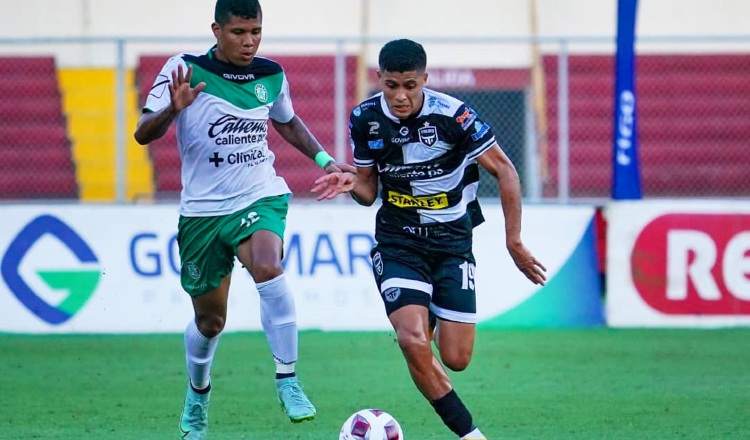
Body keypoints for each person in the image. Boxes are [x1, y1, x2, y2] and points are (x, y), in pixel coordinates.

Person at [134, 0, 351, 438]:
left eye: (256, 31)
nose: (249, 41)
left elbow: (287, 122)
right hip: (202, 213)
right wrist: (174, 109)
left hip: (258, 194)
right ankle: (197, 395)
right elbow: (143, 133)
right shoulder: (184, 68)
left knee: (269, 265)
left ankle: (288, 378)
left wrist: (326, 160)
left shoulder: (270, 75)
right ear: (217, 30)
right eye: (239, 32)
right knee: (210, 322)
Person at [313, 39, 547, 440]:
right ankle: (471, 435)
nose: (400, 96)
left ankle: (427, 318)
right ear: (379, 80)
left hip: (452, 241)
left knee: (456, 358)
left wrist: (514, 242)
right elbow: (369, 192)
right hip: (398, 240)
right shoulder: (365, 119)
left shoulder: (454, 117)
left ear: (425, 78)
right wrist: (352, 182)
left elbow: (505, 171)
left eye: (409, 85)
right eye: (391, 86)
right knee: (412, 339)